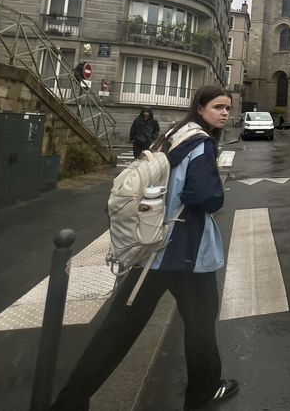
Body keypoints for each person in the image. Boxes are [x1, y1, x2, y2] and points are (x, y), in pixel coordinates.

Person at [51, 85, 239, 411]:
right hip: (184, 252)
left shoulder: (174, 134)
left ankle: (70, 402)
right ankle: (203, 393)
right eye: (219, 107)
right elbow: (204, 197)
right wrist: (218, 192)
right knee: (198, 326)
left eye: (228, 108)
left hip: (152, 244)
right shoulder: (201, 143)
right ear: (200, 108)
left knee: (119, 330)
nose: (225, 113)